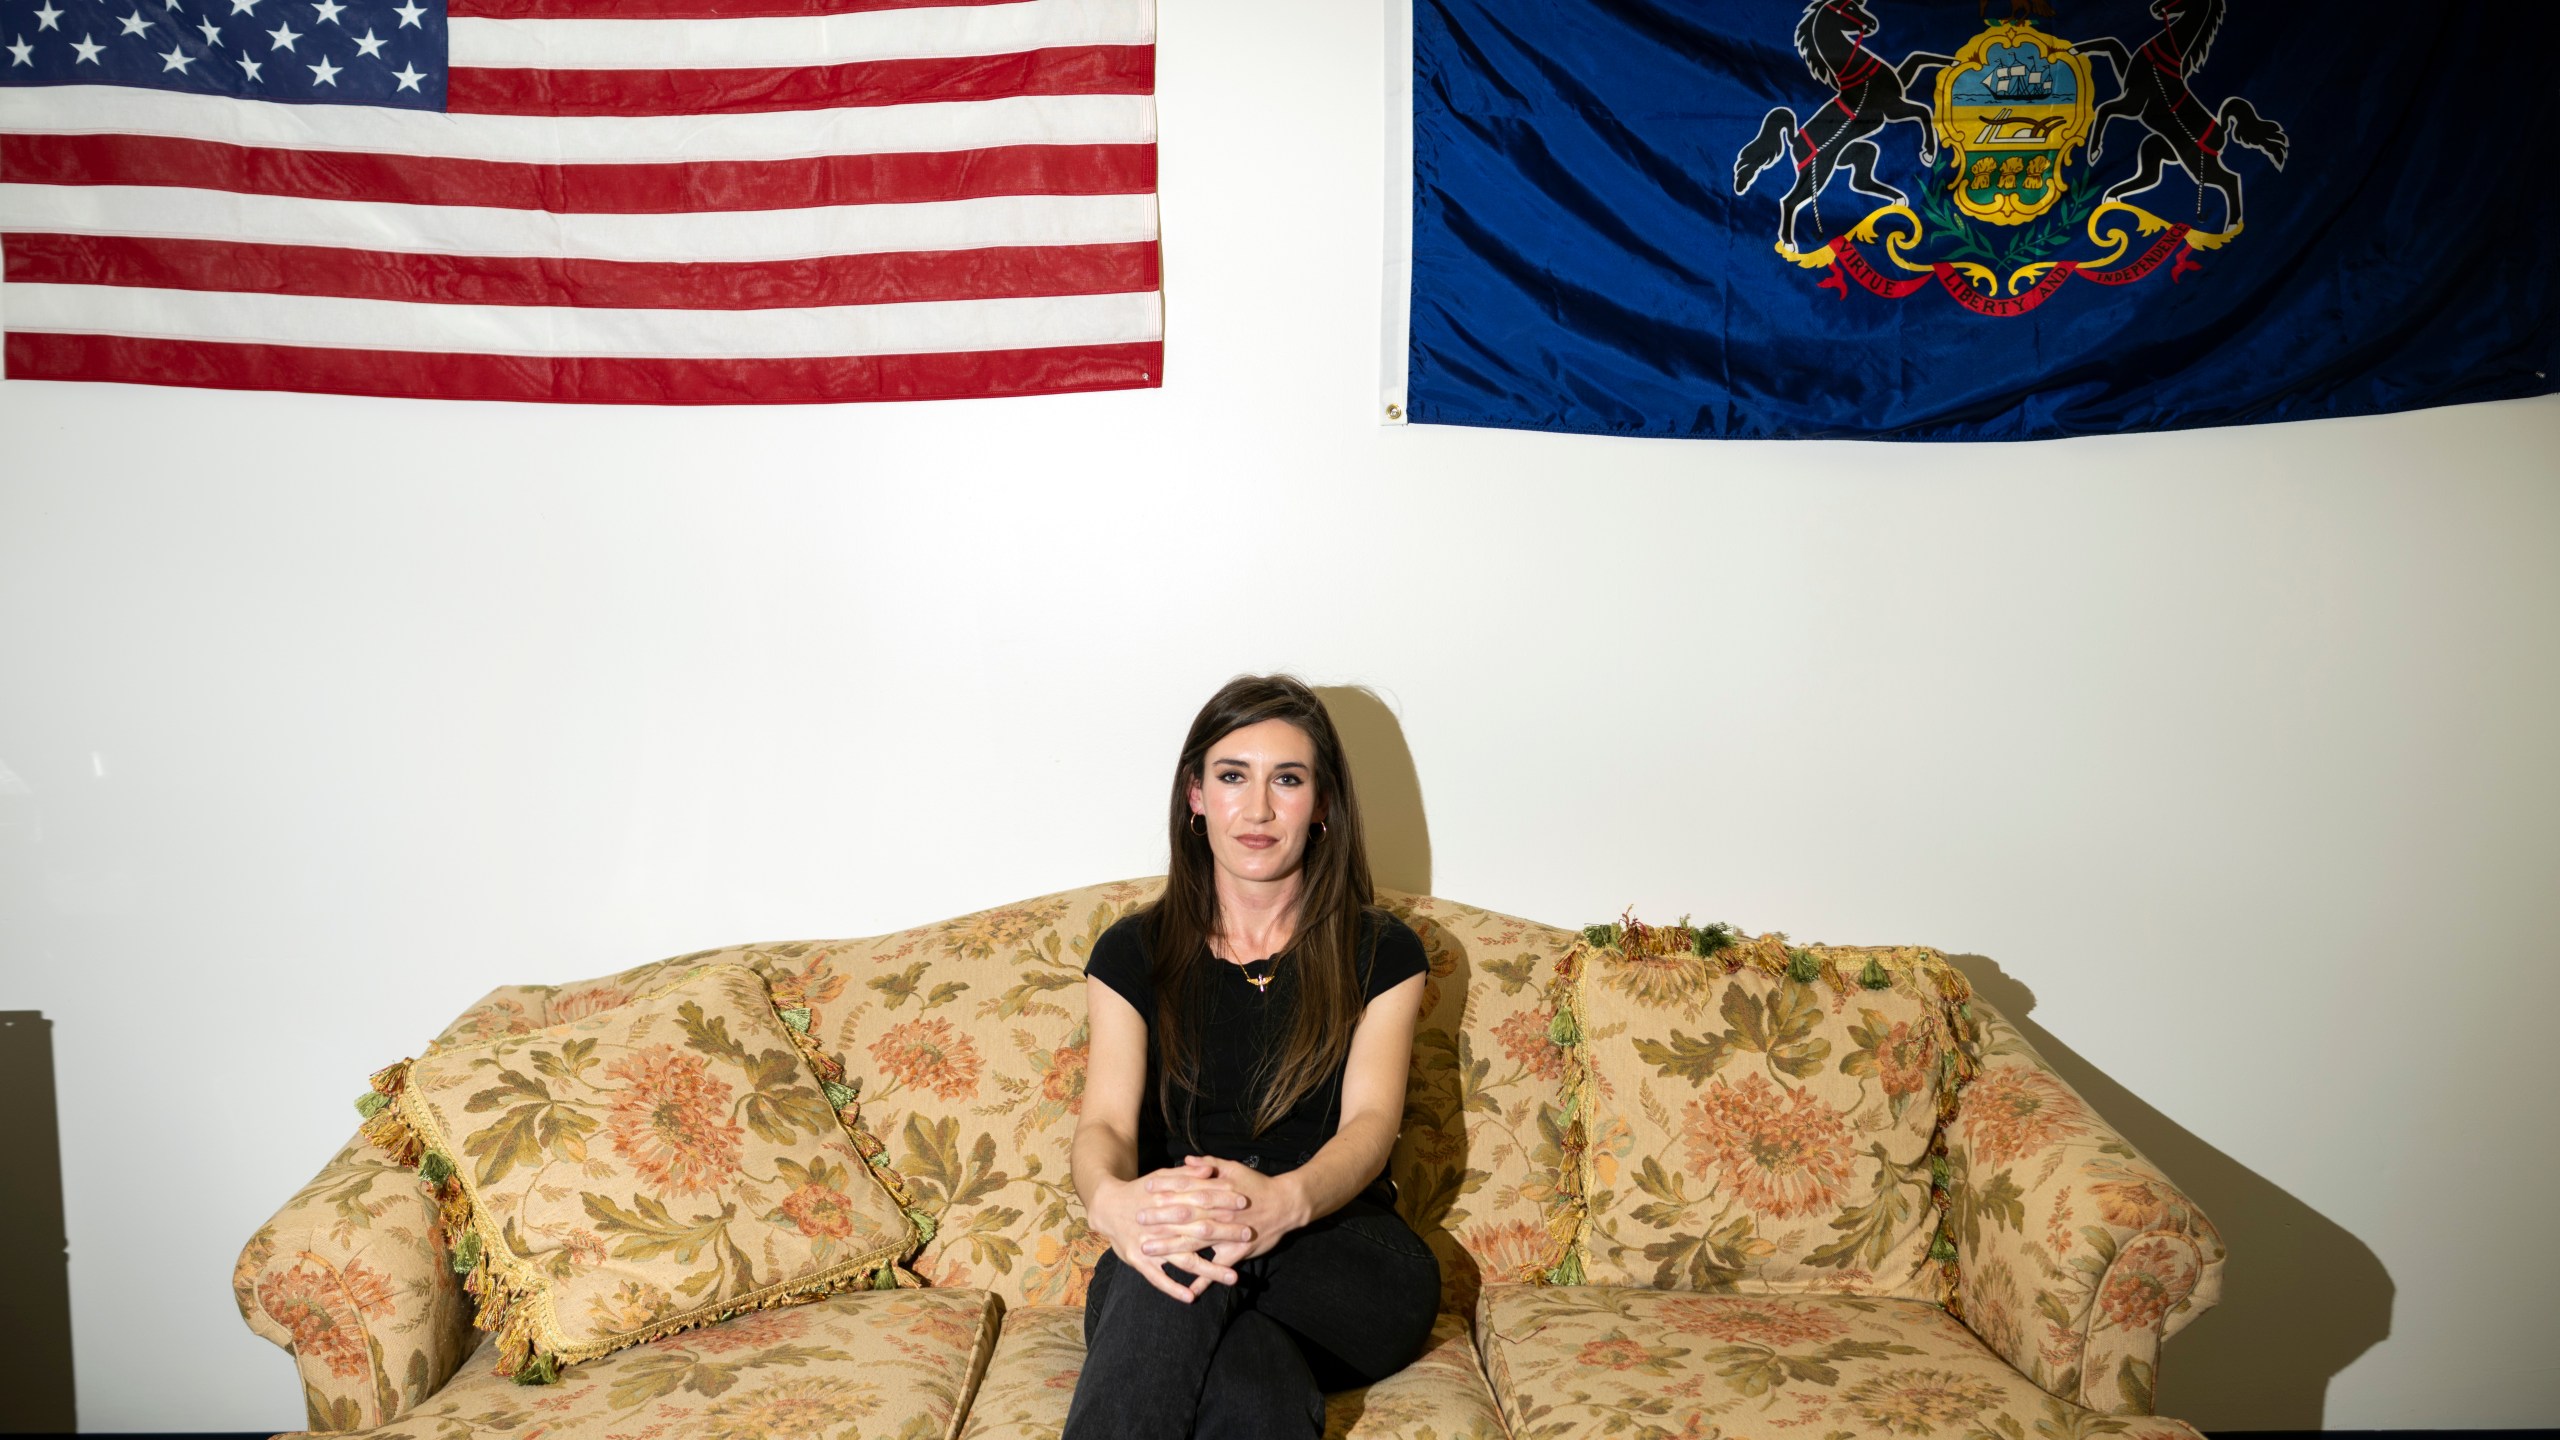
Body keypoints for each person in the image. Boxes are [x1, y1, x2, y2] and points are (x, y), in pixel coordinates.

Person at [1062, 675, 1440, 1440]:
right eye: (1233, 776)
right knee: (1251, 1381)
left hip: (1339, 1253)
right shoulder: (1132, 951)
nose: (1259, 808)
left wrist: (1286, 1201)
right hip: (1173, 1243)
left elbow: (1370, 1124)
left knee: (1183, 1258)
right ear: (1196, 796)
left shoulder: (1382, 951)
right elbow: (1103, 1123)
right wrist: (1110, 1202)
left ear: (1324, 804)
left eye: (1288, 780)